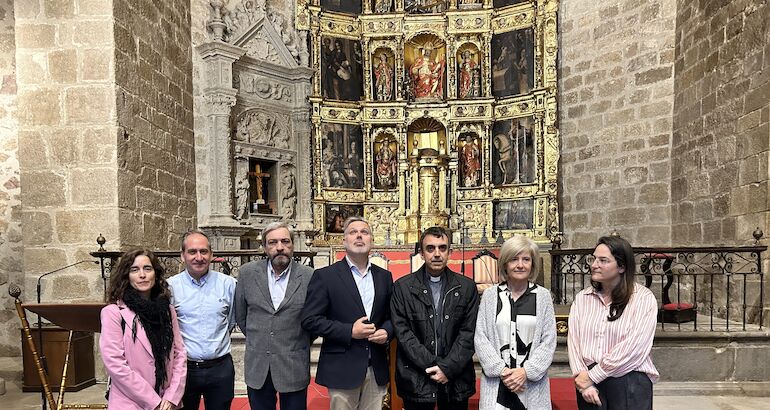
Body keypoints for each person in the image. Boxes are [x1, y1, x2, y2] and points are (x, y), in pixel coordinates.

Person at [301, 216, 394, 409]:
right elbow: (310, 320)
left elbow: (392, 316)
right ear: (344, 241)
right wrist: (349, 331)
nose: (359, 236)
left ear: (371, 240)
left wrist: (386, 332)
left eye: (364, 232)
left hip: (375, 367)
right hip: (342, 367)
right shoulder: (325, 276)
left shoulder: (384, 276)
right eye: (353, 232)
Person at [391, 226, 479, 410]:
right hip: (416, 378)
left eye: (442, 248)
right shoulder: (402, 288)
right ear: (421, 254)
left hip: (456, 379)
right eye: (430, 248)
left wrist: (448, 368)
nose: (437, 254)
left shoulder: (467, 287)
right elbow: (404, 334)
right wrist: (434, 366)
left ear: (450, 252)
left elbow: (468, 333)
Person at [568, 236, 658, 409]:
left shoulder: (642, 298)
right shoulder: (582, 298)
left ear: (622, 266)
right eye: (594, 258)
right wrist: (582, 380)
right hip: (589, 386)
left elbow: (634, 346)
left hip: (629, 380)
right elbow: (574, 342)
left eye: (603, 260)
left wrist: (594, 375)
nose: (594, 265)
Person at [235, 222, 315, 410]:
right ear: (264, 247)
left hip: (293, 364)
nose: (280, 247)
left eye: (285, 241)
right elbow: (241, 316)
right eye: (272, 242)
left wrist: (297, 341)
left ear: (292, 244)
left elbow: (313, 322)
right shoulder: (247, 273)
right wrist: (262, 338)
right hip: (258, 366)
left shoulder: (309, 276)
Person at [474, 236, 557, 410]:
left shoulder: (543, 296)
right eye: (514, 259)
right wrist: (502, 371)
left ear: (533, 264)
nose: (520, 265)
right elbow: (481, 337)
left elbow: (549, 340)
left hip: (531, 385)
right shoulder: (490, 296)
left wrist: (526, 372)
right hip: (497, 383)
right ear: (505, 264)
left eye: (526, 259)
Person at [100, 249, 186, 410]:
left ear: (156, 274)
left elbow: (179, 353)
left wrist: (172, 396)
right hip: (131, 403)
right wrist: (153, 401)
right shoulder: (113, 313)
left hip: (167, 403)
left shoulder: (167, 310)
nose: (142, 275)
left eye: (147, 268)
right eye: (134, 270)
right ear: (126, 276)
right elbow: (115, 364)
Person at [167, 230, 238, 410]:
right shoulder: (170, 287)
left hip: (220, 369)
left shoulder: (228, 284)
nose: (199, 257)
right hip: (184, 369)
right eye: (192, 252)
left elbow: (231, 320)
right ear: (182, 255)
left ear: (211, 254)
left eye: (204, 251)